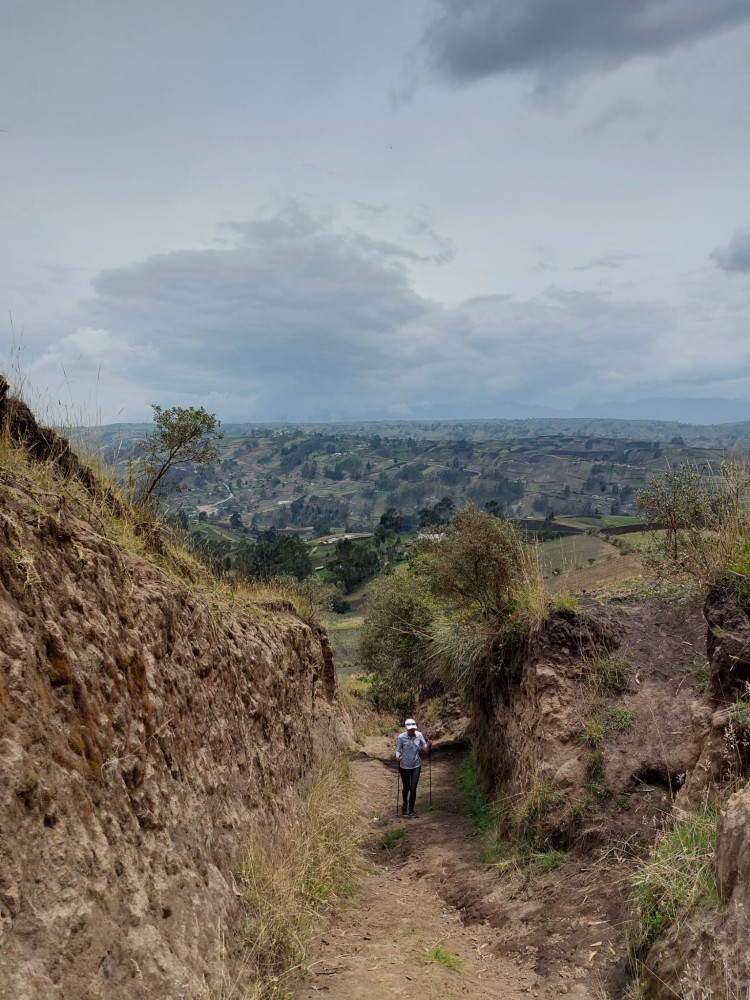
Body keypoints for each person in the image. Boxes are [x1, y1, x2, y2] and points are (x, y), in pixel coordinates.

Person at [395, 718, 431, 818]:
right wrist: (397, 757)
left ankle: (411, 810)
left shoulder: (419, 735)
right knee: (406, 788)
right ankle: (404, 805)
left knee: (413, 788)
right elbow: (398, 750)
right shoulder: (401, 737)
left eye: (413, 730)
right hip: (404, 765)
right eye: (409, 730)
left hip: (416, 765)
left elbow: (426, 749)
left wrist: (429, 745)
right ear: (406, 729)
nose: (411, 732)